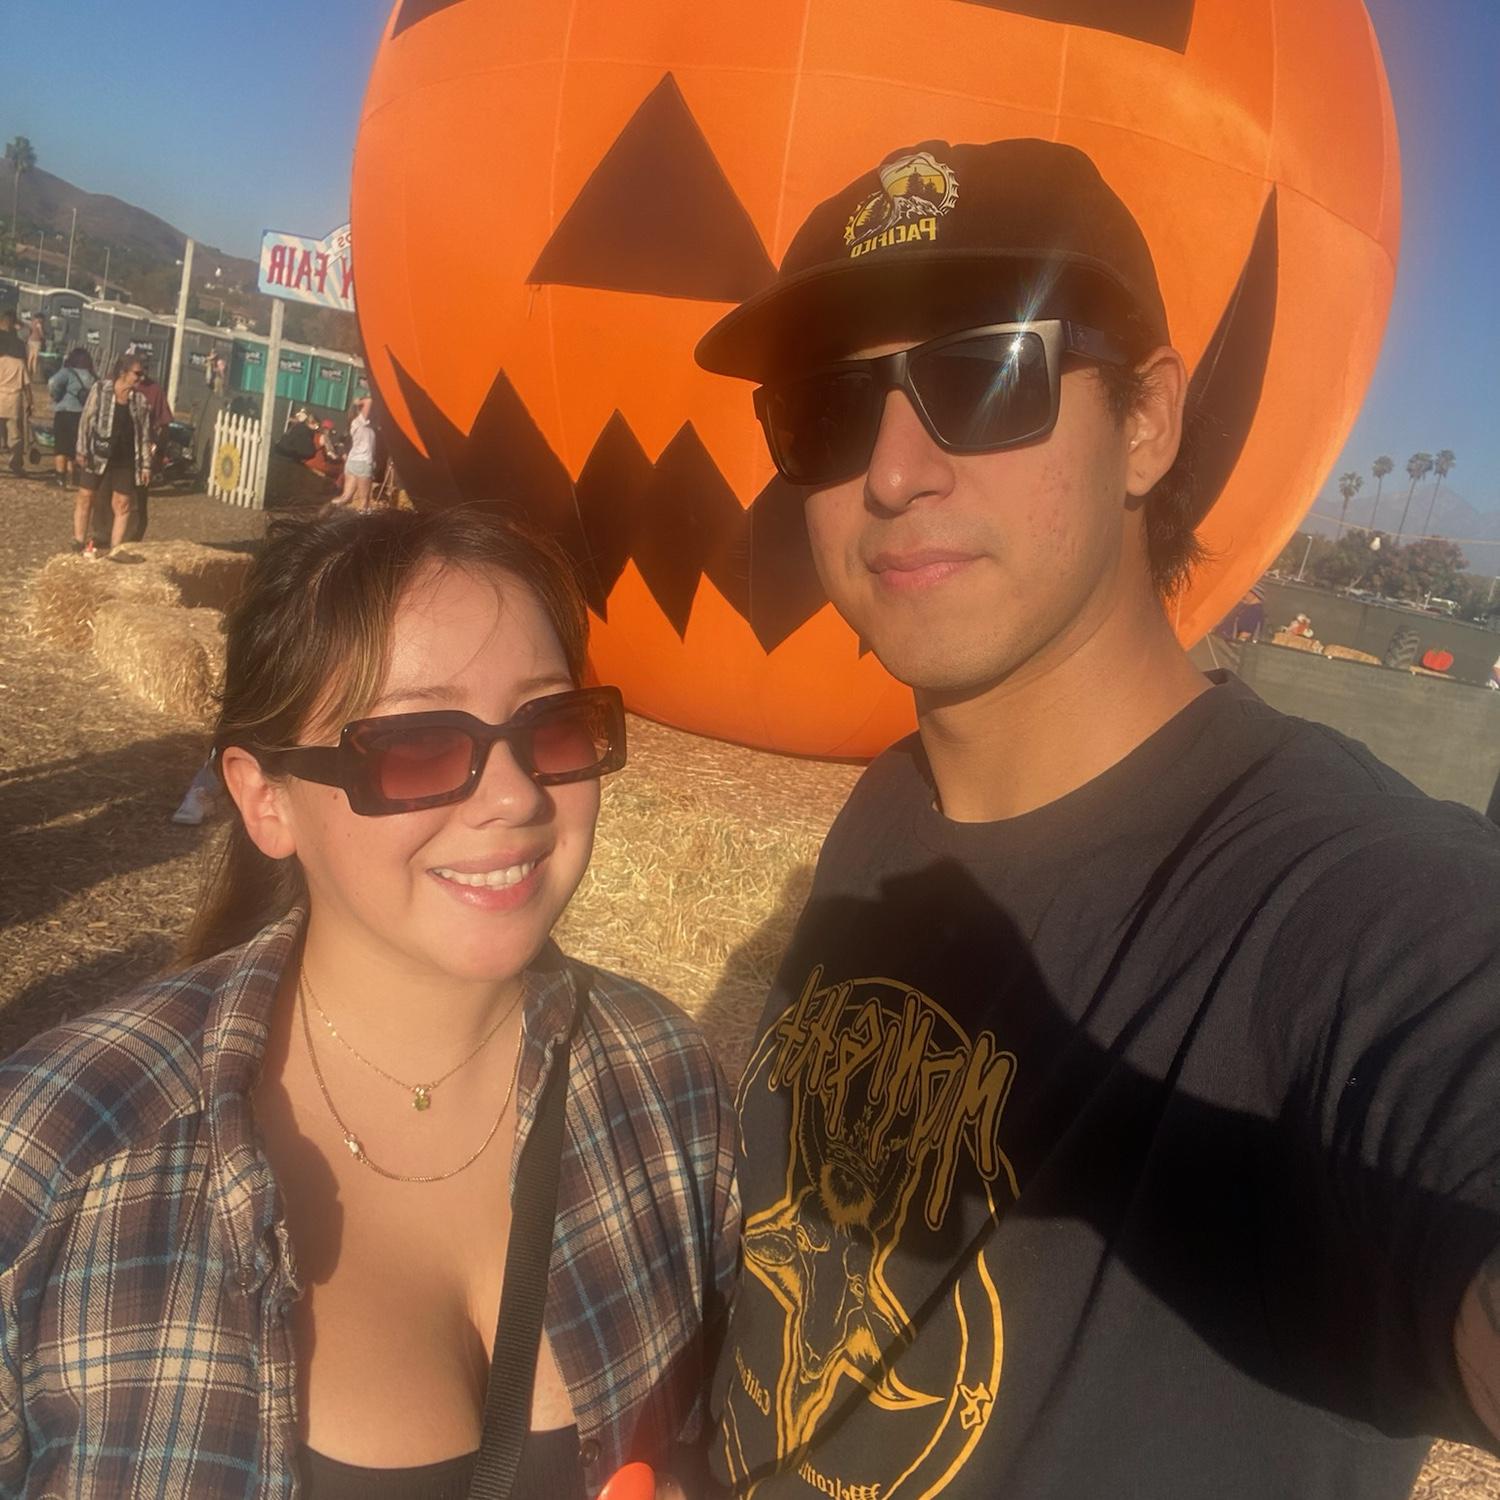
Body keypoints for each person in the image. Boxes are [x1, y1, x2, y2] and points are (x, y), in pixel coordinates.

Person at [693, 138, 1500, 1496]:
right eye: (828, 409)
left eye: (985, 373)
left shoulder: (1341, 900)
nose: (892, 472)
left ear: (1147, 423)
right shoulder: (892, 808)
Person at [0, 506, 738, 1498]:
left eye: (552, 725)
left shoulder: (667, 1089)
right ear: (265, 799)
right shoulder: (55, 1158)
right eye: (418, 746)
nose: (515, 796)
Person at [73, 353, 152, 551]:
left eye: (142, 373)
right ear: (123, 372)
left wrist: (146, 465)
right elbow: (86, 419)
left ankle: (115, 549)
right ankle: (78, 541)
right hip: (97, 453)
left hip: (125, 459)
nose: (140, 377)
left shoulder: (140, 401)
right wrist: (81, 449)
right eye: (137, 373)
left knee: (122, 503)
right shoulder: (100, 390)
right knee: (86, 496)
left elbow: (144, 435)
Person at [126, 352, 174, 542]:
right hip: (119, 449)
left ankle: (134, 537)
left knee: (139, 498)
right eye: (138, 371)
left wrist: (157, 451)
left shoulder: (155, 390)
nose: (141, 374)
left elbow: (165, 424)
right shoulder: (118, 386)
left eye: (145, 369)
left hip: (143, 452)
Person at [47, 346, 96, 491]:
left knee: (61, 446)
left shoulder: (67, 372)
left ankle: (60, 478)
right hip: (83, 415)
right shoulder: (93, 376)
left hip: (65, 412)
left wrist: (57, 396)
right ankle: (74, 476)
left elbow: (52, 383)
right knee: (77, 445)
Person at [334, 395, 378, 509]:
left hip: (352, 462)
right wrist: (358, 402)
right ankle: (362, 519)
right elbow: (369, 400)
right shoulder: (359, 421)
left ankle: (327, 511)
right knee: (364, 500)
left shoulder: (359, 423)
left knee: (346, 497)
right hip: (363, 463)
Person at [0, 309, 30, 472]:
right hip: (14, 398)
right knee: (15, 432)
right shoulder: (19, 347)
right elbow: (26, 383)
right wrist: (30, 401)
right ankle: (16, 462)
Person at [25, 312, 44, 381]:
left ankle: (28, 371)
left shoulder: (31, 323)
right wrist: (43, 337)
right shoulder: (39, 324)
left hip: (30, 340)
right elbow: (41, 333)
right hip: (36, 341)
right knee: (35, 357)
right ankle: (34, 373)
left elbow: (29, 331)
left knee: (30, 357)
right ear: (39, 318)